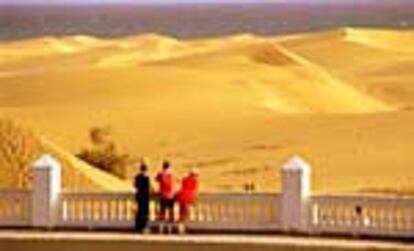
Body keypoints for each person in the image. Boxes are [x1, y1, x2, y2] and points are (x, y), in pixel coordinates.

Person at [134, 161, 151, 232]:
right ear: (146, 169)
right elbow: (148, 187)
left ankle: (138, 226)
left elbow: (135, 185)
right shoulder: (146, 177)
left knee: (139, 211)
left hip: (139, 195)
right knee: (145, 212)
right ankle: (144, 227)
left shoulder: (137, 177)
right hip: (145, 196)